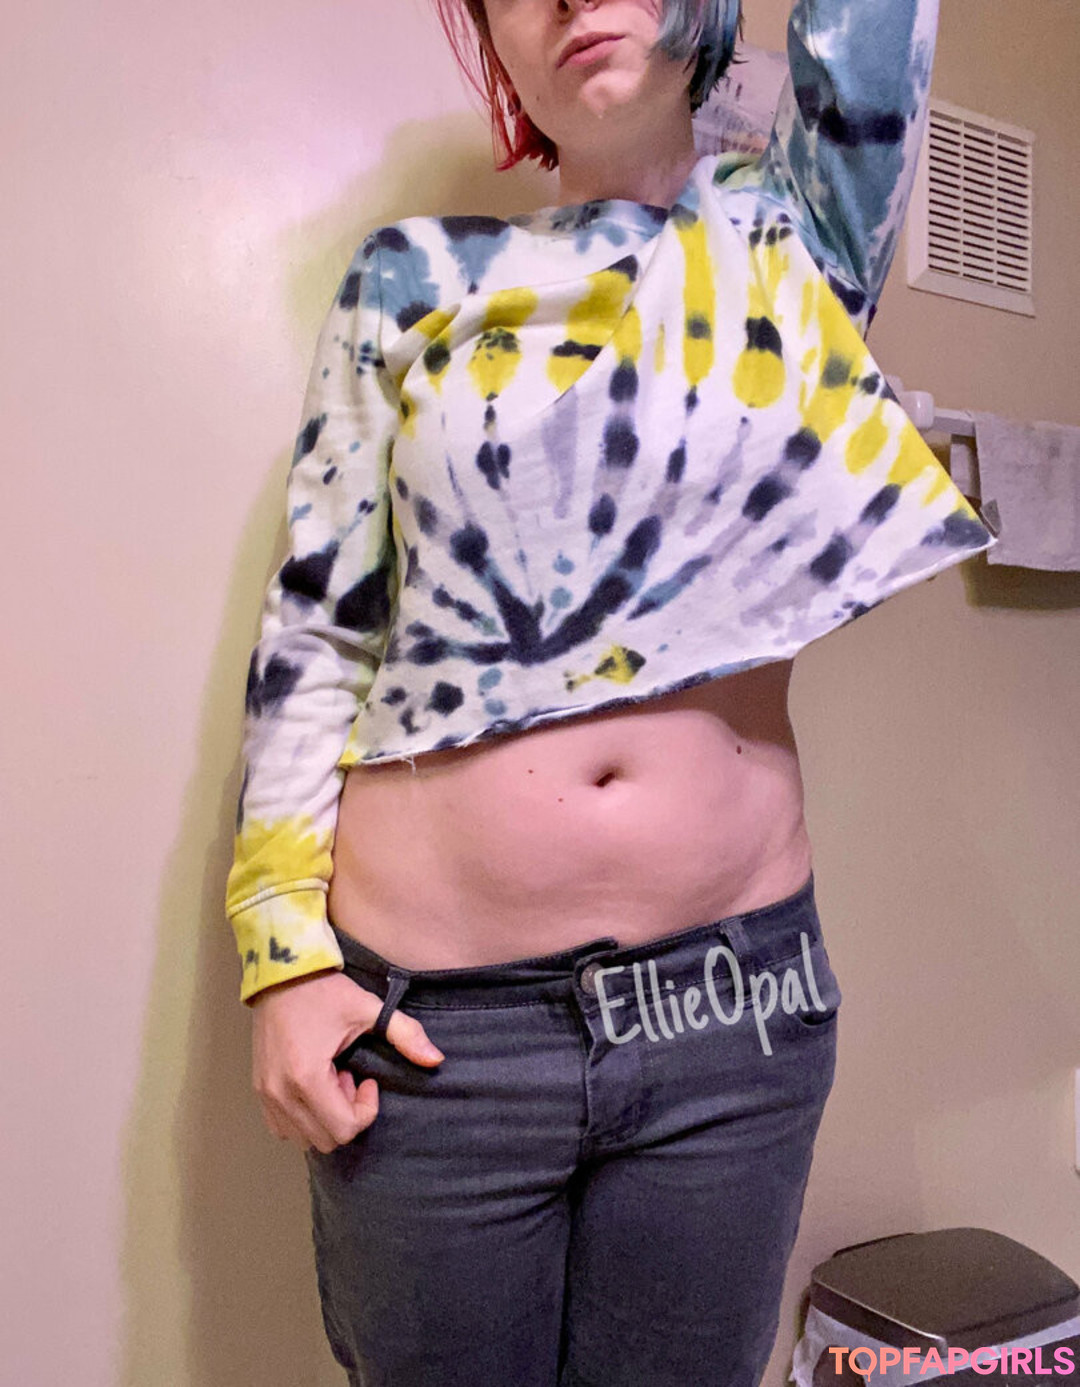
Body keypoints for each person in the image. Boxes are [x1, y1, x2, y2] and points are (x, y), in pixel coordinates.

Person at [224, 1, 997, 1383]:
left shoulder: (794, 239)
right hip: (440, 1037)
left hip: (730, 1017)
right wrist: (281, 956)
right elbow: (320, 631)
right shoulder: (408, 280)